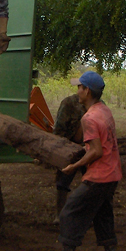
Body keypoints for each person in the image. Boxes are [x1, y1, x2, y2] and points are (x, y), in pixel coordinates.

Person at [37, 71, 122, 251]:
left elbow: (96, 151)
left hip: (99, 176)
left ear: (87, 91)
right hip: (113, 172)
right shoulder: (104, 110)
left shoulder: (90, 118)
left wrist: (74, 167)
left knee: (70, 211)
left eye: (80, 87)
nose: (77, 91)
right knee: (103, 214)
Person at [53, 94, 85, 222]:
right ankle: (59, 214)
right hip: (70, 146)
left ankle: (89, 214)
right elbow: (59, 127)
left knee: (92, 182)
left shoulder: (98, 105)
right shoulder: (69, 103)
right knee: (62, 182)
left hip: (89, 147)